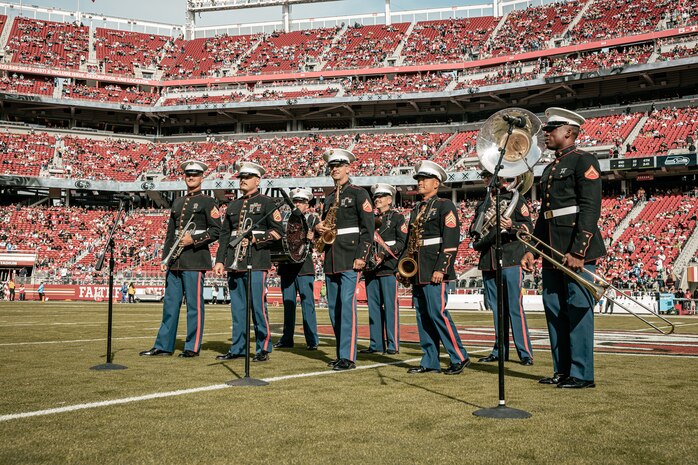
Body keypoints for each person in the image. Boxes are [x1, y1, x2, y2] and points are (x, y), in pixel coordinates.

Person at [521, 107, 606, 389]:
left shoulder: (584, 161)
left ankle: (582, 374)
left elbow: (590, 208)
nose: (545, 134)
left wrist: (579, 251)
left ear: (569, 132)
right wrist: (533, 249)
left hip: (575, 250)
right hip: (552, 251)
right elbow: (546, 214)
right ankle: (562, 371)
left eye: (551, 129)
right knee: (554, 308)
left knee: (578, 307)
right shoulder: (550, 168)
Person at [140, 160, 221, 358]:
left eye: (195, 174)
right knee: (170, 305)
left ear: (202, 177)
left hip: (195, 260)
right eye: (188, 174)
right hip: (175, 261)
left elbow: (216, 230)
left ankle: (192, 347)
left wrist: (192, 239)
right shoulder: (177, 202)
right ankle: (164, 345)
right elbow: (170, 234)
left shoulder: (208, 202)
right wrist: (165, 258)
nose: (191, 177)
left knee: (194, 306)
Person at [402, 160, 471, 375]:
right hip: (418, 270)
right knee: (423, 316)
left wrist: (441, 268)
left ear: (436, 183)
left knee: (437, 313)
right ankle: (429, 360)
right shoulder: (416, 209)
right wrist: (403, 266)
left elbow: (450, 240)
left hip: (434, 267)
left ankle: (459, 356)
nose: (420, 183)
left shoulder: (444, 205)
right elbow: (410, 242)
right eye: (419, 179)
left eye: (424, 179)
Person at [214, 161, 283, 362]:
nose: (243, 180)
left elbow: (279, 231)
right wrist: (220, 261)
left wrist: (255, 238)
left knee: (258, 308)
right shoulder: (233, 206)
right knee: (238, 309)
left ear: (257, 180)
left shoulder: (268, 202)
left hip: (257, 261)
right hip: (235, 262)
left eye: (247, 177)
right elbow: (225, 236)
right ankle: (238, 348)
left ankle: (263, 347)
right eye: (241, 177)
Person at [315, 149, 374, 371]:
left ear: (349, 167)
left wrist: (362, 256)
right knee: (334, 309)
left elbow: (367, 230)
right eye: (332, 166)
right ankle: (341, 353)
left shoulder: (359, 194)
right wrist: (317, 226)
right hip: (331, 258)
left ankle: (348, 357)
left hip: (350, 258)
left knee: (347, 307)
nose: (335, 169)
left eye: (339, 165)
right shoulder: (329, 197)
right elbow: (325, 226)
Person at [471, 172, 534, 366]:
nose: (486, 180)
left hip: (510, 258)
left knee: (514, 308)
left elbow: (529, 228)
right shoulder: (482, 204)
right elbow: (475, 231)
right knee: (496, 310)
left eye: (489, 176)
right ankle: (500, 350)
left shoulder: (515, 198)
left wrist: (511, 225)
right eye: (484, 177)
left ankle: (525, 353)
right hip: (488, 260)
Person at [360, 183, 406, 355]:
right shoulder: (369, 219)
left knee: (390, 307)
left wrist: (384, 255)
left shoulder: (397, 218)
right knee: (373, 307)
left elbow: (402, 242)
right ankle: (376, 344)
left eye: (381, 197)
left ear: (389, 199)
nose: (377, 199)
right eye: (375, 197)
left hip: (388, 267)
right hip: (371, 269)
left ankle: (393, 345)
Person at [274, 188, 320, 351]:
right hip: (286, 266)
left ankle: (312, 340)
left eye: (301, 201)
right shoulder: (285, 218)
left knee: (308, 304)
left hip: (304, 266)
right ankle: (287, 338)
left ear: (307, 205)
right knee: (288, 304)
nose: (298, 204)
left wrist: (313, 239)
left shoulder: (313, 219)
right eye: (296, 201)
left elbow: (321, 243)